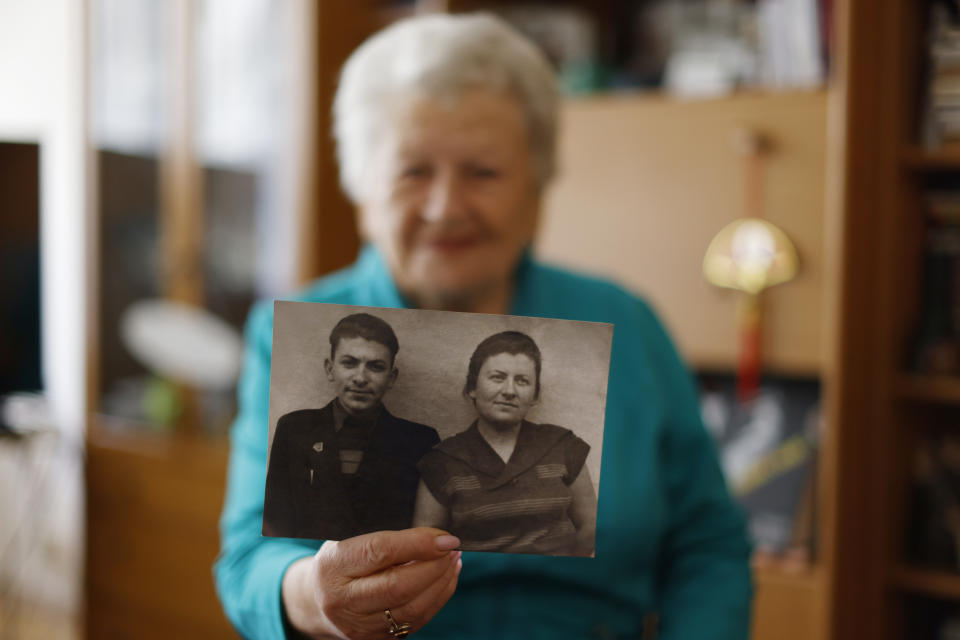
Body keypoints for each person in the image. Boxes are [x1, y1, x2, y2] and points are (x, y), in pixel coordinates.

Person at [215, 12, 752, 640]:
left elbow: (708, 544)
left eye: (484, 173)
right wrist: (309, 596)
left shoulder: (628, 324)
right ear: (362, 191)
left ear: (538, 186)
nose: (446, 207)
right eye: (413, 172)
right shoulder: (295, 334)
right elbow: (248, 566)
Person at [413, 331, 597, 557]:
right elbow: (425, 546)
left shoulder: (563, 446)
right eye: (497, 377)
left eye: (522, 381)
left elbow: (591, 528)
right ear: (472, 387)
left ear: (535, 394)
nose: (509, 391)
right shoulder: (442, 461)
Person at [262, 312, 440, 540]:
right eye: (349, 363)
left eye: (375, 367)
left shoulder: (420, 442)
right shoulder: (294, 429)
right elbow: (276, 522)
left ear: (392, 377)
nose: (360, 378)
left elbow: (424, 534)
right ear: (330, 369)